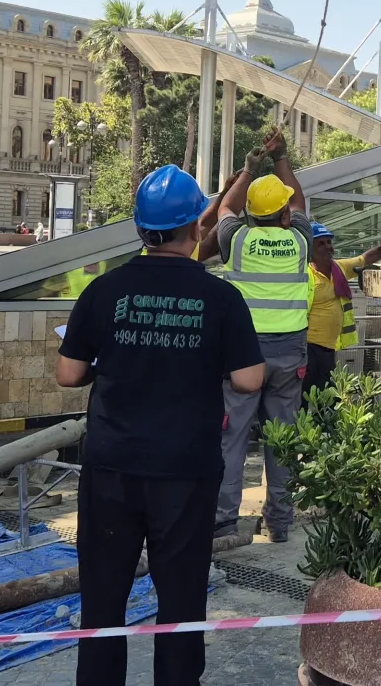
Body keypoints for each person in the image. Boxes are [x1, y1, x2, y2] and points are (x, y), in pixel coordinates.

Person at [56, 164, 265, 686]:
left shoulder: (105, 290)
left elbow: (68, 374)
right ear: (196, 226)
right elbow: (249, 379)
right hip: (185, 470)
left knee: (103, 598)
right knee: (181, 599)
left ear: (141, 228)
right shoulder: (220, 298)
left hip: (112, 467)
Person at [213, 130, 313, 542]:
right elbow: (301, 202)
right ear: (284, 215)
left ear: (252, 215)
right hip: (289, 354)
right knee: (282, 440)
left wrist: (249, 170)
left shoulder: (236, 240)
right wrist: (281, 157)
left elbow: (225, 207)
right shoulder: (300, 241)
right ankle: (280, 524)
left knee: (232, 437)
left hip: (243, 355)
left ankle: (223, 522)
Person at [304, 224, 381, 397]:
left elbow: (365, 258)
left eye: (329, 242)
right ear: (309, 249)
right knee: (307, 394)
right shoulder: (305, 274)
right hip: (309, 346)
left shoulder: (339, 268)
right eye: (321, 243)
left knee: (327, 395)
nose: (328, 247)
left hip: (328, 347)